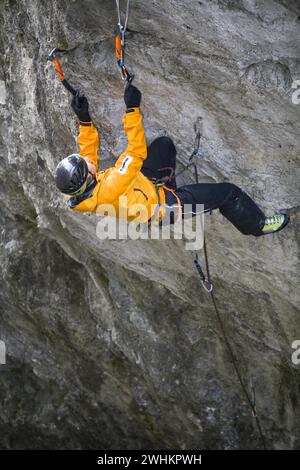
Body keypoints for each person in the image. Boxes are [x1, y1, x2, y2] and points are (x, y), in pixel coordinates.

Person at [54, 84, 289, 236]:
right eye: (88, 166)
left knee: (164, 146)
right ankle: (258, 225)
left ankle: (164, 185)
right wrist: (132, 108)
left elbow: (88, 155)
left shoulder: (83, 190)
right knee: (229, 193)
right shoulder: (112, 183)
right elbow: (136, 152)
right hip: (164, 208)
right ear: (90, 178)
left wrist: (84, 120)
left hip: (141, 187)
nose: (89, 161)